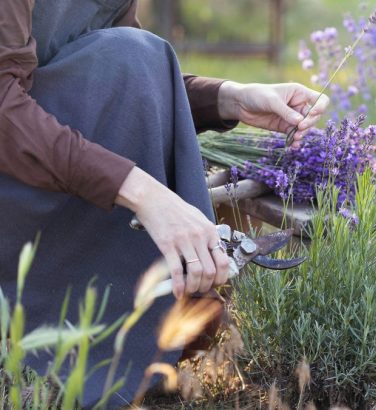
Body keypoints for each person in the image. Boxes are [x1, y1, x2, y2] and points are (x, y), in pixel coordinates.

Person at [0, 0, 329, 406]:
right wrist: (143, 193)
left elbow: (126, 80)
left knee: (140, 53)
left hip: (44, 170)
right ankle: (70, 346)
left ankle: (119, 349)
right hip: (14, 173)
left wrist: (231, 98)